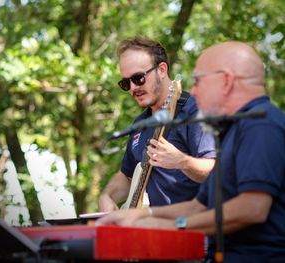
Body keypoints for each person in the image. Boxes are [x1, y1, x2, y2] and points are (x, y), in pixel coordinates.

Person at [97, 41, 285, 262]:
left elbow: (253, 208)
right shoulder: (236, 129)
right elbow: (199, 206)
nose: (193, 90)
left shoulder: (260, 125)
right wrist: (143, 215)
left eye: (199, 81)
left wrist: (172, 226)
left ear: (226, 80)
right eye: (124, 83)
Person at [98, 36, 215, 211]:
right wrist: (107, 196)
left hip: (191, 227)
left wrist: (182, 161)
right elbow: (127, 176)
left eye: (138, 78)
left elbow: (217, 169)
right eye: (125, 83)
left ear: (162, 69)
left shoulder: (196, 111)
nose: (132, 88)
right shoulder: (141, 123)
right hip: (151, 230)